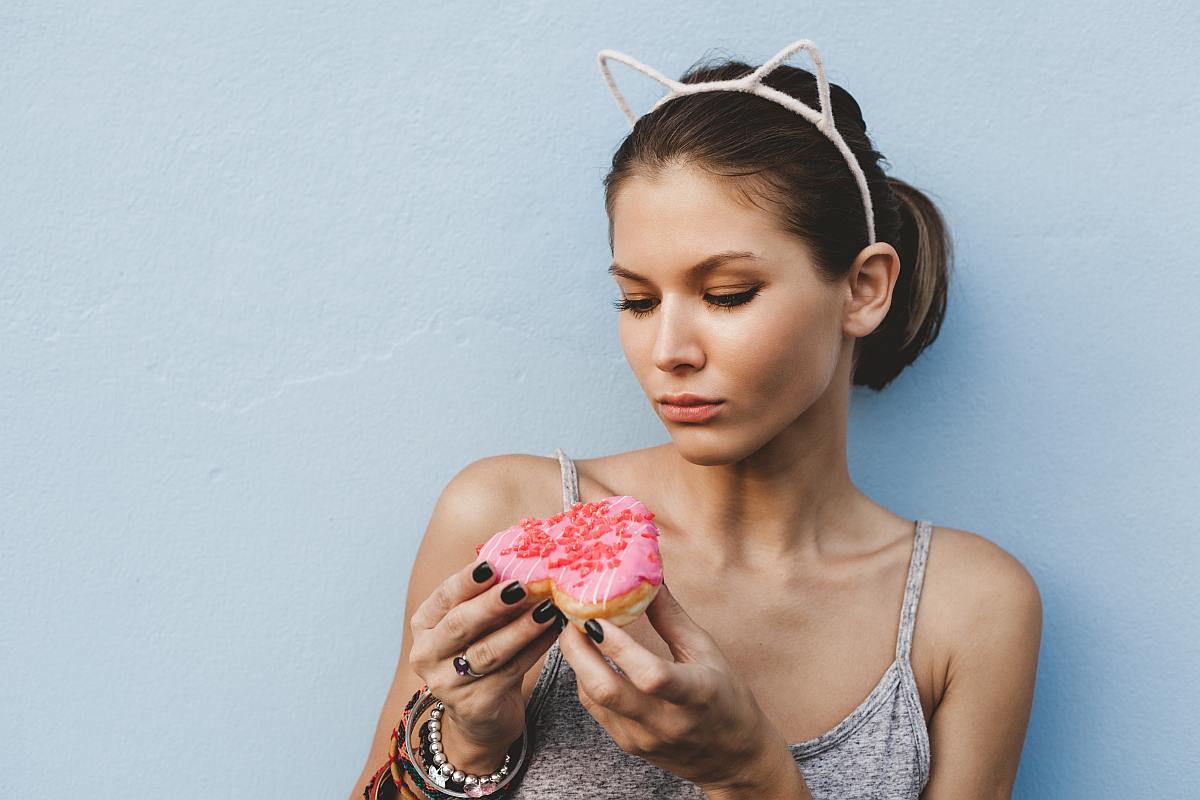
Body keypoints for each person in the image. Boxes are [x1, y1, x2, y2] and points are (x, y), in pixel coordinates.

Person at [350, 42, 1042, 800]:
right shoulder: (508, 517)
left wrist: (752, 776)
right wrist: (470, 742)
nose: (668, 352)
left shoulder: (966, 609)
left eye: (727, 293)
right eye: (638, 301)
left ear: (864, 289)